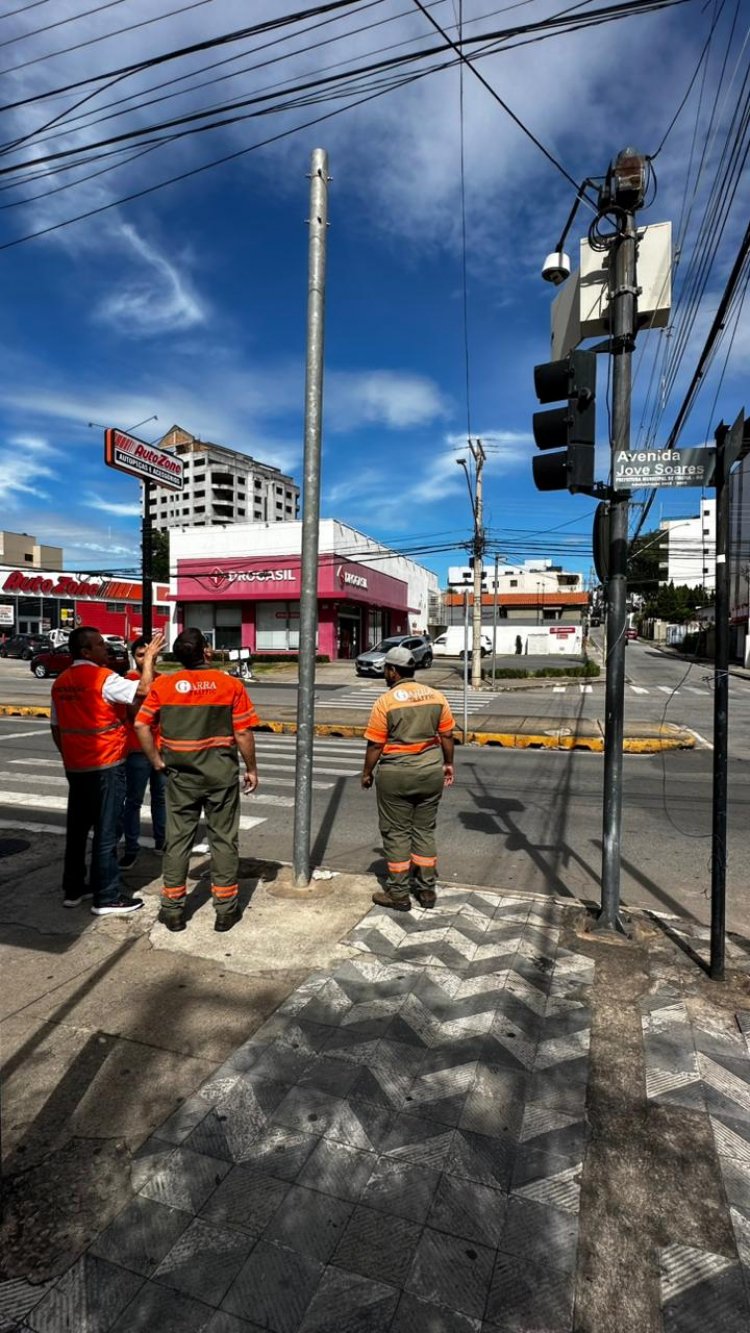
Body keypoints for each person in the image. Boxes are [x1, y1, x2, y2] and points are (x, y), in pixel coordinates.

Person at [135, 627, 259, 934]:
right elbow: (243, 732)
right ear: (205, 651)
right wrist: (252, 768)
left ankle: (173, 910)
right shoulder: (230, 685)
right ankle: (225, 911)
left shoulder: (165, 686)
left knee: (178, 841)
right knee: (224, 840)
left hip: (180, 777)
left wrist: (156, 760)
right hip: (220, 776)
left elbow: (141, 724)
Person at [50, 625, 164, 915]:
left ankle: (73, 889)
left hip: (76, 767)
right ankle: (107, 895)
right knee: (106, 831)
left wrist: (70, 754)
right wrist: (149, 659)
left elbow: (56, 727)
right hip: (106, 764)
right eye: (100, 645)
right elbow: (144, 690)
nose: (106, 648)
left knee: (77, 831)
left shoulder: (61, 681)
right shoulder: (103, 678)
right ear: (86, 651)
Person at [361, 645, 455, 912]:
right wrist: (448, 764)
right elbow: (447, 736)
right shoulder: (437, 697)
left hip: (396, 775)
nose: (385, 673)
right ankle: (426, 891)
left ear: (392, 670)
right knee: (424, 830)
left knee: (396, 832)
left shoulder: (386, 702)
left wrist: (367, 773)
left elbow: (375, 746)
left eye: (385, 669)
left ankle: (399, 894)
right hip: (430, 772)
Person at [118, 636, 167, 868]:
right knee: (134, 801)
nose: (147, 658)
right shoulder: (129, 680)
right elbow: (135, 714)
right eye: (141, 655)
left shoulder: (164, 680)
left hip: (161, 748)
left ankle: (162, 841)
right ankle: (131, 848)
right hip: (137, 750)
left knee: (161, 798)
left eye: (150, 654)